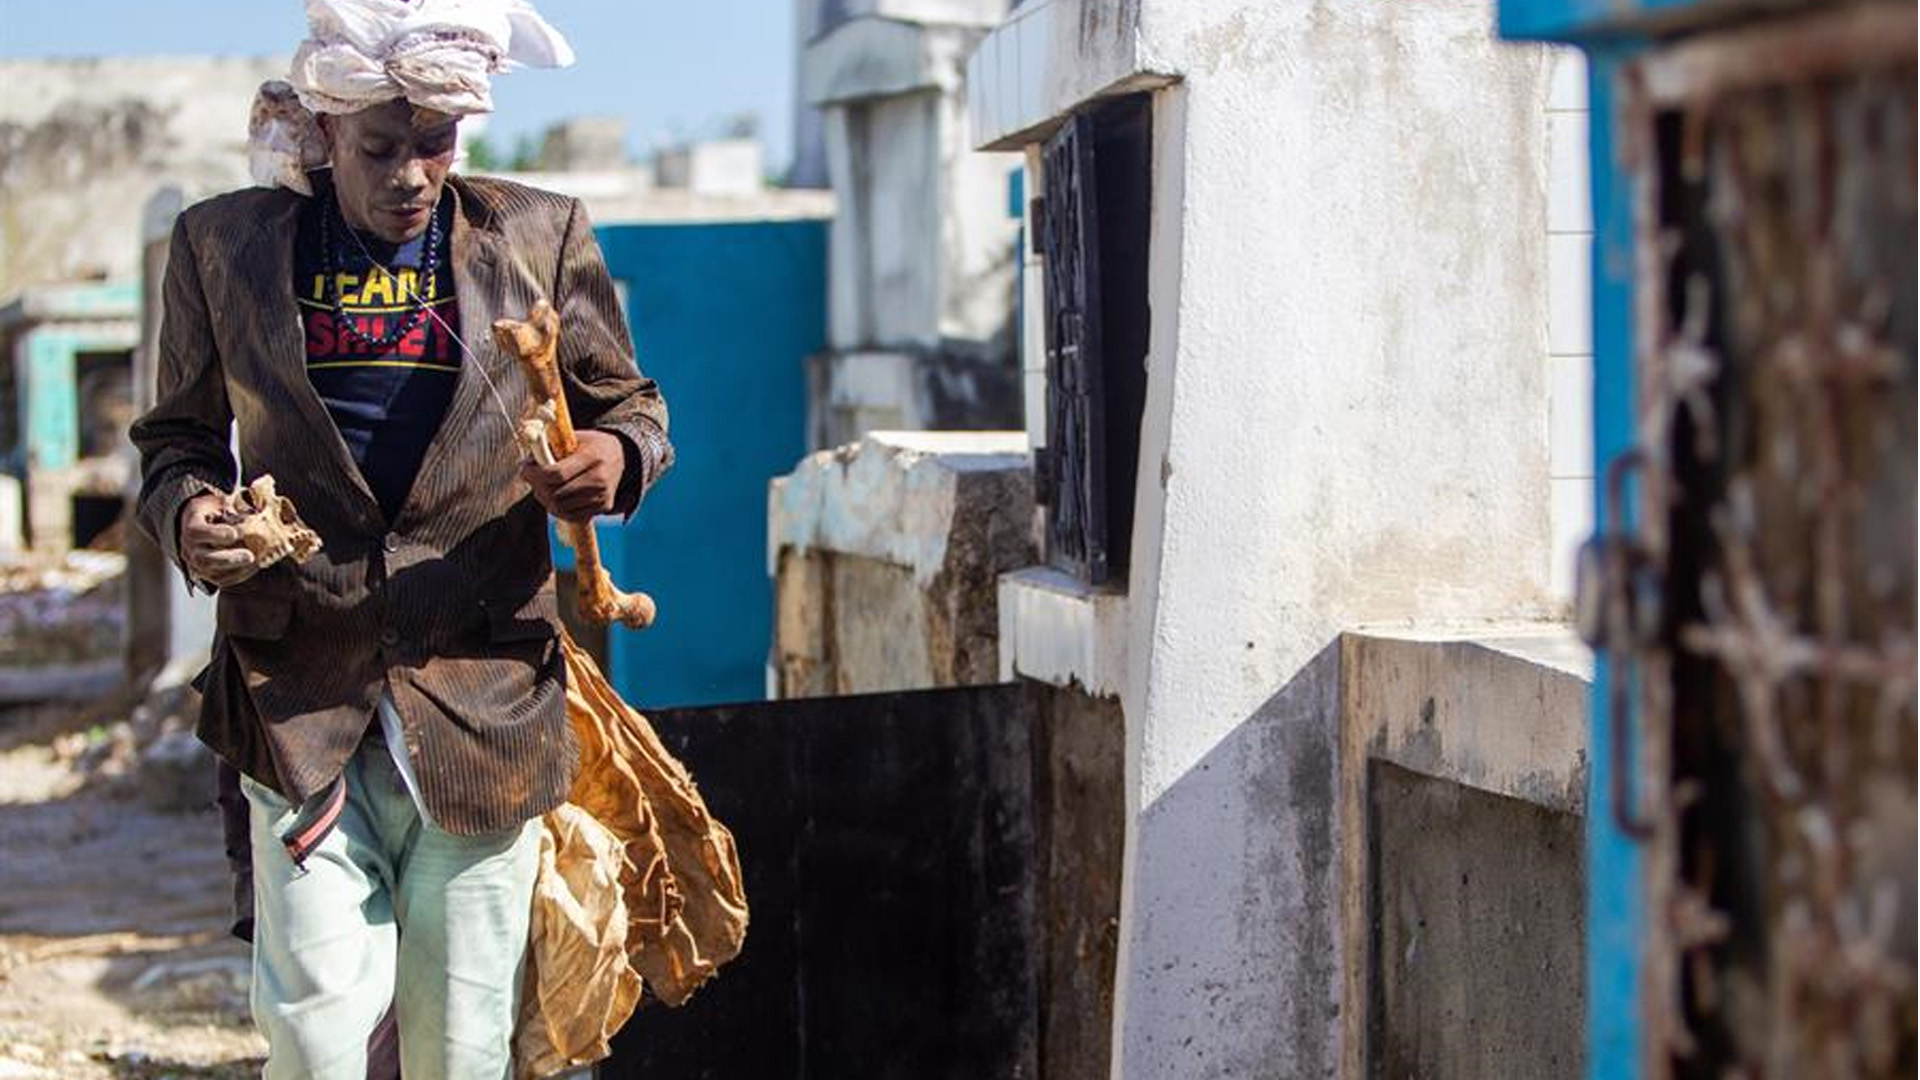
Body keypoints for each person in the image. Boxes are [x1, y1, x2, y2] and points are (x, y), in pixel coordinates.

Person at [129, 3, 670, 1077]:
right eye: (381, 146)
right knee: (318, 1031)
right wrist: (194, 517)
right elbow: (177, 442)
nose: (413, 173)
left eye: (437, 143)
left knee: (460, 1047)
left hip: (484, 700)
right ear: (324, 132)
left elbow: (634, 408)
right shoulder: (222, 246)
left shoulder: (539, 234)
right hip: (300, 698)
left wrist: (612, 464)